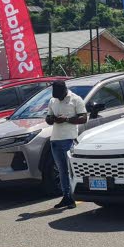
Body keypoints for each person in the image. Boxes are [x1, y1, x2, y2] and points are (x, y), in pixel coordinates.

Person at [46, 80, 87, 209]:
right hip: (55, 140)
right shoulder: (53, 100)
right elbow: (48, 119)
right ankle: (66, 197)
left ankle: (73, 196)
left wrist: (67, 119)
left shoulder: (75, 99)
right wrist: (53, 119)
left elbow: (84, 118)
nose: (57, 97)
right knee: (62, 171)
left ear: (64, 90)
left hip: (69, 139)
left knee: (70, 170)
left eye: (58, 94)